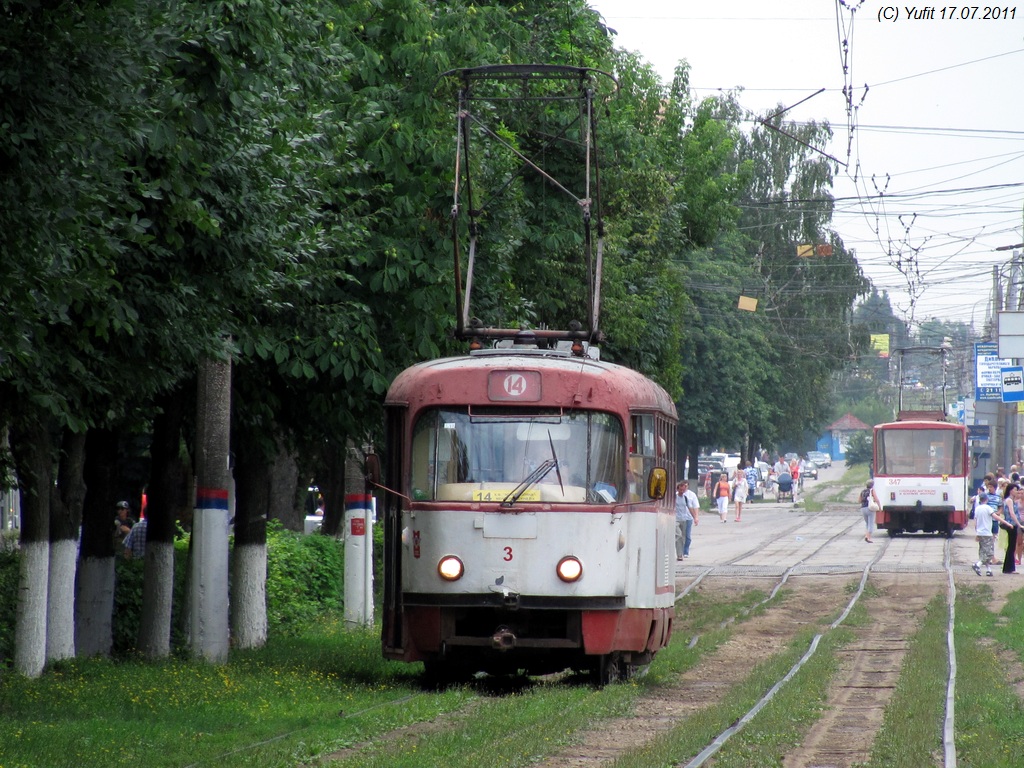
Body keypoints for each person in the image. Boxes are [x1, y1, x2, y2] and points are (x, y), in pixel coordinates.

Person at [973, 490, 1008, 577]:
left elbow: (975, 522)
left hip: (980, 533)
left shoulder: (977, 509)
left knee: (983, 551)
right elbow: (996, 517)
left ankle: (988, 570)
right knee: (989, 552)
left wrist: (977, 532)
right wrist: (1006, 523)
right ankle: (978, 565)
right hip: (987, 533)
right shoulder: (988, 508)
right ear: (986, 499)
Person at [675, 481, 699, 560]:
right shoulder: (674, 497)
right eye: (680, 490)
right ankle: (679, 555)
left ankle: (681, 553)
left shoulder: (685, 498)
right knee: (678, 535)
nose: (682, 492)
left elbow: (690, 508)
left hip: (684, 519)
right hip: (676, 520)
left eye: (683, 490)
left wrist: (695, 517)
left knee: (683, 537)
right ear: (677, 489)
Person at [1000, 484, 1021, 574]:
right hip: (1011, 524)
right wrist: (1018, 524)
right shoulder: (1009, 500)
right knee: (1011, 546)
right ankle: (1009, 568)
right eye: (1015, 489)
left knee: (1012, 545)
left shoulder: (1012, 500)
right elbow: (1012, 513)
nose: (1017, 491)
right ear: (1011, 490)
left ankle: (1008, 567)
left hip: (1011, 524)